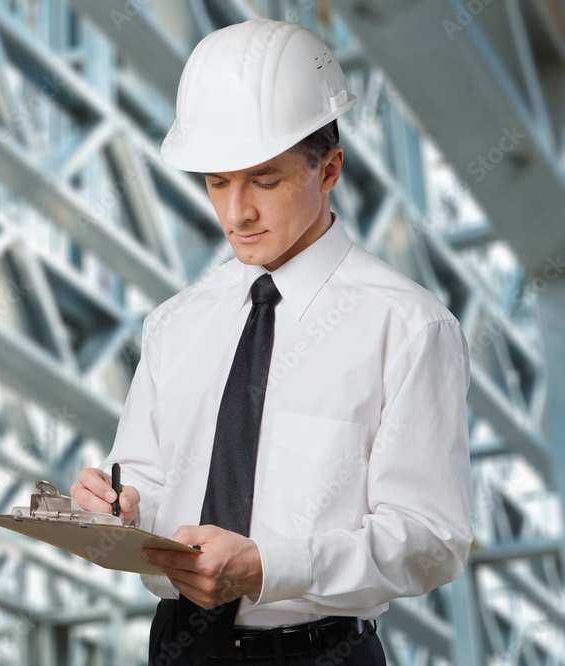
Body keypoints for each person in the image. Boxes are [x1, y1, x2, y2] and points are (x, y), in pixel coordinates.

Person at [70, 18, 472, 666]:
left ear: (330, 168)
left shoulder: (406, 326)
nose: (237, 214)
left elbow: (431, 538)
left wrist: (266, 567)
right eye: (217, 182)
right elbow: (141, 485)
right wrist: (112, 511)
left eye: (264, 179)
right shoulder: (176, 325)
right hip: (179, 647)